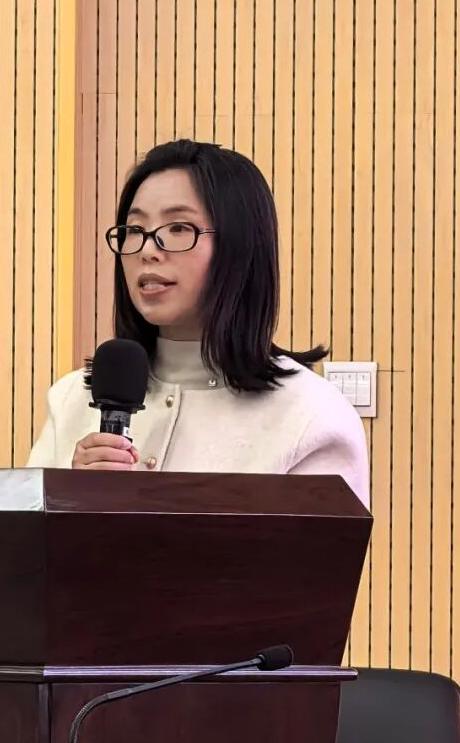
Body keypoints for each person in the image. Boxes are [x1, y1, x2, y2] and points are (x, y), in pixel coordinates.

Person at [27, 139, 369, 507]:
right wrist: (70, 504)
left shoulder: (310, 414)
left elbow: (318, 547)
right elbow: (15, 541)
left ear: (240, 247)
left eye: (178, 228)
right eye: (135, 230)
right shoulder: (72, 399)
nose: (147, 250)